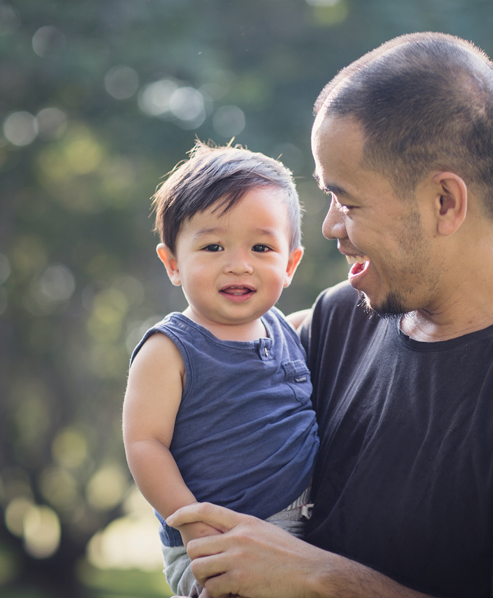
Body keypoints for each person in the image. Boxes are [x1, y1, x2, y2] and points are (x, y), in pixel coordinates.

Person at [165, 32, 493, 598]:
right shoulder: (342, 320)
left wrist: (322, 580)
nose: (329, 227)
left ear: (444, 202)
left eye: (348, 201)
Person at [121, 143, 318, 597]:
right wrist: (193, 523)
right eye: (212, 245)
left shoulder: (285, 329)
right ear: (172, 263)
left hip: (305, 527)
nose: (238, 263)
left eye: (261, 246)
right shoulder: (170, 349)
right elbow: (145, 444)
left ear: (290, 264)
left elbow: (335, 308)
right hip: (217, 538)